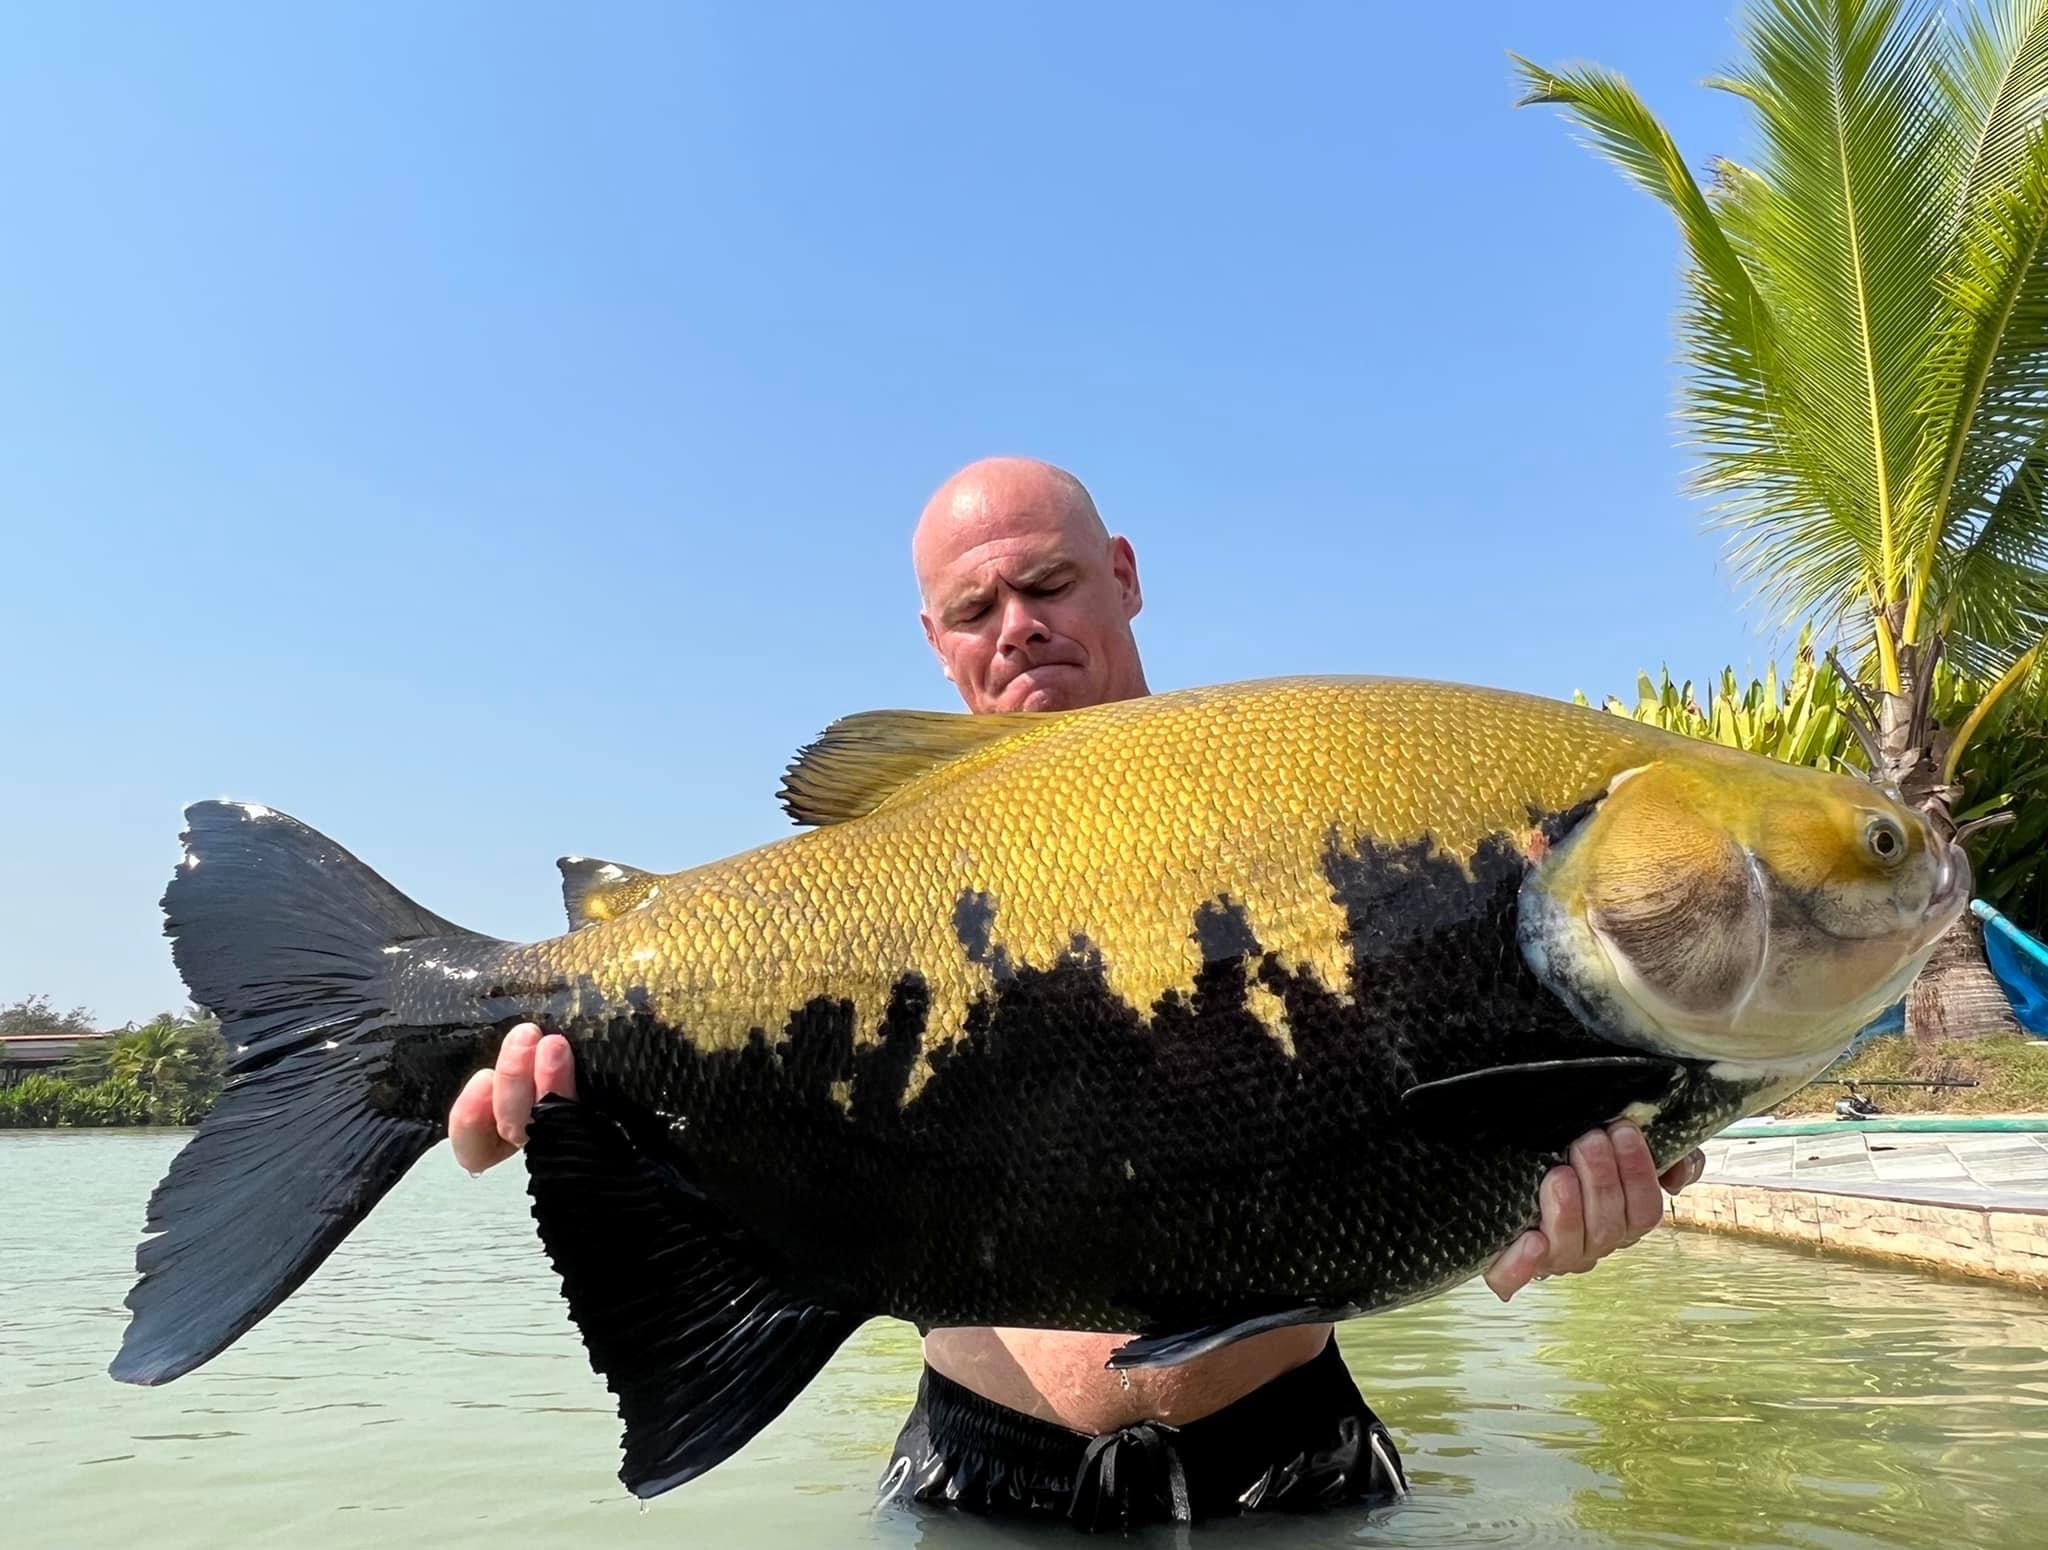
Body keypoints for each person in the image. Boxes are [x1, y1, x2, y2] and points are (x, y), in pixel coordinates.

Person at [448, 456, 1707, 1531]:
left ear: (1123, 571)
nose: (1017, 624)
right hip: (976, 1470)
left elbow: (1485, 1073)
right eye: (972, 605)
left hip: (1292, 1458)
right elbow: (673, 1135)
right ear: (933, 642)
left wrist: (1619, 1152)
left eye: (1047, 584)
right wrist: (542, 1114)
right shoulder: (844, 904)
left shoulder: (1296, 809)